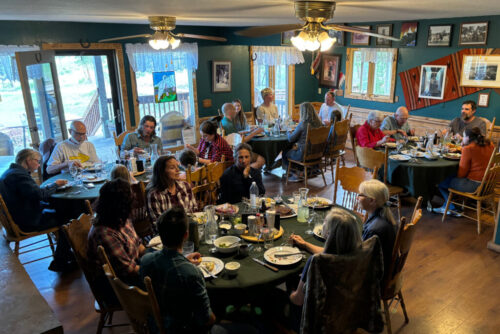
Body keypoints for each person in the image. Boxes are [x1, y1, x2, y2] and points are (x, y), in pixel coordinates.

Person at [291, 179, 396, 280]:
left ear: (372, 201)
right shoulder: (382, 218)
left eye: (361, 195)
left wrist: (305, 245)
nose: (357, 198)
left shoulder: (374, 230)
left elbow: (338, 256)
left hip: (365, 280)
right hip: (381, 272)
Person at [139, 207, 213, 333]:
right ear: (186, 235)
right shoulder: (192, 274)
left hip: (156, 326)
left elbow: (168, 265)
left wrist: (184, 261)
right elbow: (207, 320)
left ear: (160, 234)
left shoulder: (145, 261)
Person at [0, 149, 74, 272]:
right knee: (70, 219)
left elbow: (33, 193)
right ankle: (60, 261)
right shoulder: (19, 176)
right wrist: (55, 184)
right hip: (28, 221)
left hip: (20, 215)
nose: (39, 165)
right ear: (28, 161)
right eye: (38, 161)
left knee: (62, 208)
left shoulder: (11, 172)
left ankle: (66, 252)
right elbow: (39, 195)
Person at [289, 207, 362, 306]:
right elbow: (328, 252)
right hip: (345, 309)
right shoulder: (356, 254)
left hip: (314, 316)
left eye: (325, 222)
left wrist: (289, 293)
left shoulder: (316, 262)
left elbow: (298, 300)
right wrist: (305, 244)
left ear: (328, 233)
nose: (323, 223)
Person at [87, 178, 146, 286]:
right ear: (121, 205)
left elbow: (138, 244)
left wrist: (154, 258)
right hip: (121, 283)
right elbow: (129, 270)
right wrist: (155, 270)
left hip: (134, 264)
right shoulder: (105, 233)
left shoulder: (120, 218)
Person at [433, 127, 495, 215]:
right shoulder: (490, 144)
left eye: (464, 136)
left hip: (476, 186)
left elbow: (461, 174)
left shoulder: (468, 149)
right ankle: (453, 205)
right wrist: (463, 146)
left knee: (441, 181)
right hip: (489, 185)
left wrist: (464, 147)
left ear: (468, 138)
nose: (462, 138)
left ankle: (452, 208)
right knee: (451, 178)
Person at [147, 155, 197, 222]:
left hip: (188, 227)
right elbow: (156, 223)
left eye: (177, 166)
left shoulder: (185, 186)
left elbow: (194, 210)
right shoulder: (155, 195)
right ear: (162, 172)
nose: (178, 170)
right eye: (172, 168)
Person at [283, 102, 323, 182]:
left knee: (285, 152)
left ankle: (295, 174)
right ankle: (303, 171)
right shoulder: (319, 123)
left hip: (304, 154)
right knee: (294, 148)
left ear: (303, 112)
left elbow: (291, 139)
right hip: (317, 154)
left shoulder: (303, 124)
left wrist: (288, 131)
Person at [220, 102, 265, 169]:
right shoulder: (228, 125)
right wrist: (256, 132)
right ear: (229, 111)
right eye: (234, 109)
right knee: (261, 160)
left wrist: (248, 131)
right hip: (236, 153)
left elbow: (235, 135)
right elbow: (241, 142)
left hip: (230, 151)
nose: (235, 112)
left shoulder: (224, 121)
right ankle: (243, 172)